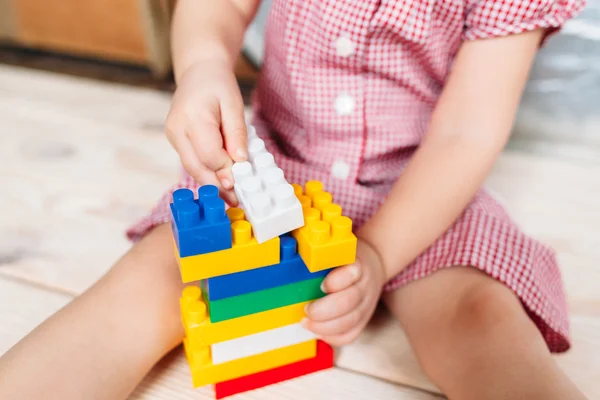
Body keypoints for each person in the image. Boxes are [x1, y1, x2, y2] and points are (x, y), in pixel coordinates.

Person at [0, 1, 588, 399]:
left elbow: (468, 131)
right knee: (147, 287)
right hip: (273, 165)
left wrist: (379, 252)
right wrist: (203, 66)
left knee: (480, 320)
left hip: (421, 187)